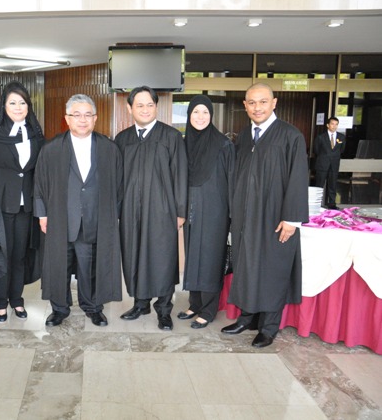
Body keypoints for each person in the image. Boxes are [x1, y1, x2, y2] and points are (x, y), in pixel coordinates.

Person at [222, 83, 309, 348]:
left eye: (262, 102)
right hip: (245, 217)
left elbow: (298, 178)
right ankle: (247, 317)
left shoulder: (290, 136)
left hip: (275, 218)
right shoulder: (244, 136)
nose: (257, 107)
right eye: (252, 102)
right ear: (245, 105)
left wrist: (291, 219)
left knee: (273, 270)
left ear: (274, 103)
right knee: (247, 265)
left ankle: (269, 327)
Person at [34, 94, 122, 327]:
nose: (82, 120)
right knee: (58, 265)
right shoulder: (51, 149)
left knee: (89, 266)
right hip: (60, 218)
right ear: (67, 119)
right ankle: (59, 309)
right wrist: (42, 214)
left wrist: (114, 216)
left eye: (87, 115)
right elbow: (40, 183)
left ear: (95, 118)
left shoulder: (108, 148)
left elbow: (119, 186)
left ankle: (92, 307)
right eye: (77, 115)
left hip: (94, 219)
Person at [115, 86, 187, 331]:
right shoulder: (122, 139)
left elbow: (180, 175)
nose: (145, 110)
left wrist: (180, 211)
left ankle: (164, 309)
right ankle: (140, 303)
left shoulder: (171, 137)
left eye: (150, 105)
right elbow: (116, 180)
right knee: (133, 254)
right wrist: (117, 210)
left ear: (156, 107)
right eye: (139, 105)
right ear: (130, 108)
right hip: (130, 211)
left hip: (162, 209)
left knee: (163, 257)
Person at [0, 81, 44, 322]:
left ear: (28, 106)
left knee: (20, 255)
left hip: (27, 206)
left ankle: (17, 300)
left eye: (22, 103)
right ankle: (0, 302)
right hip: (0, 205)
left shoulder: (35, 133)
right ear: (3, 106)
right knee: (2, 255)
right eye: (12, 102)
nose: (18, 107)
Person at [178, 95, 235, 329]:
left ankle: (209, 310)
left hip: (215, 213)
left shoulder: (223, 145)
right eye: (195, 112)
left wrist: (231, 216)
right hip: (191, 211)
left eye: (205, 112)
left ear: (211, 116)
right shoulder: (184, 143)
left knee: (210, 259)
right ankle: (195, 303)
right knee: (193, 256)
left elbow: (231, 180)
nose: (200, 117)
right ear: (189, 115)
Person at [314, 116, 345, 209]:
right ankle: (317, 203)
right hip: (322, 164)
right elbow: (316, 150)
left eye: (336, 124)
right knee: (319, 184)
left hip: (334, 164)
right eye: (332, 124)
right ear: (328, 125)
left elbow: (342, 150)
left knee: (333, 184)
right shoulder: (320, 137)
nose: (334, 126)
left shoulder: (341, 137)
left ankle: (332, 203)